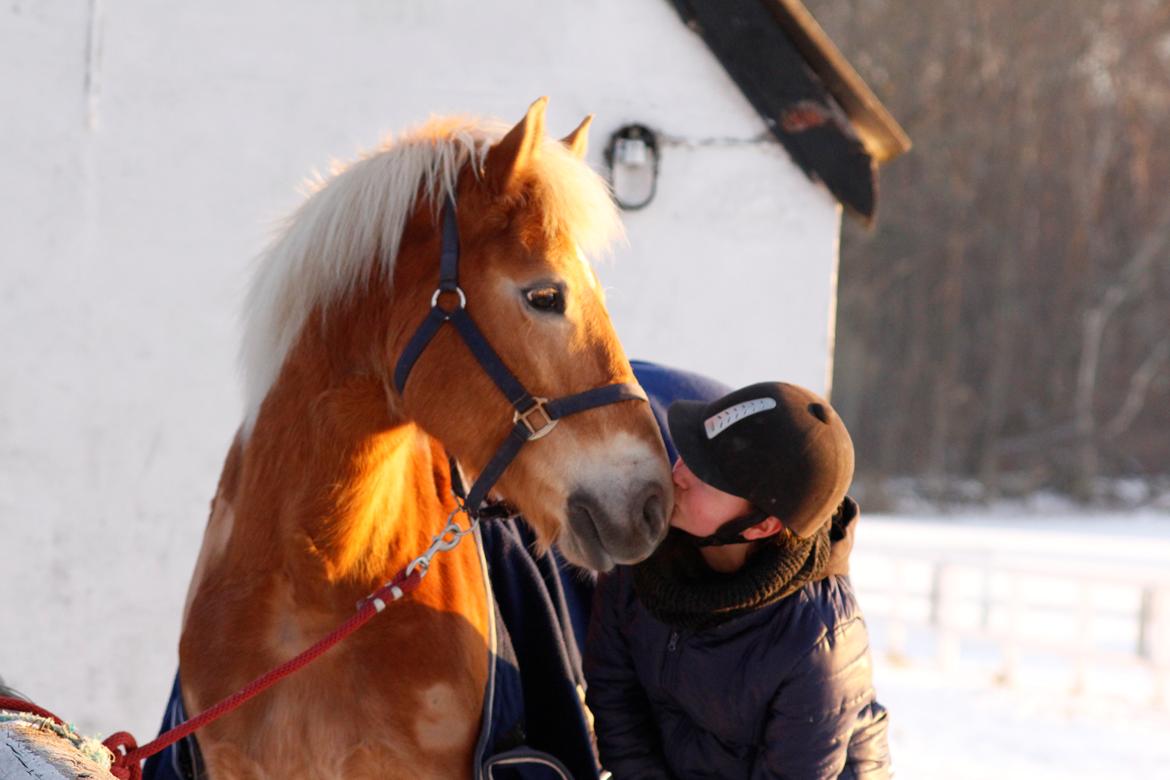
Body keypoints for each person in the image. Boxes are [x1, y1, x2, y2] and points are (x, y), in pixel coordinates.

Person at [584, 381, 891, 779]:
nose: (677, 474)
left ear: (762, 525)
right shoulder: (643, 556)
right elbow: (613, 693)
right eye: (687, 454)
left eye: (706, 474)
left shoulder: (818, 642)